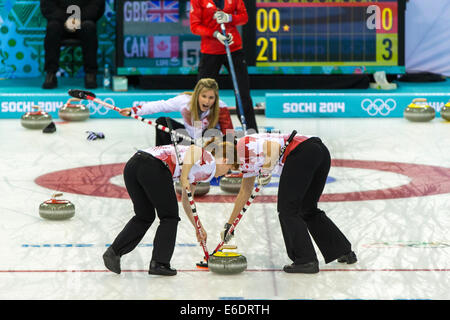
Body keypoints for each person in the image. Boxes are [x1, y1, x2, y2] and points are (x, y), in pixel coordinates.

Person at [222, 132, 357, 273]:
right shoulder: (244, 162)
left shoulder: (244, 144)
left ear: (225, 159)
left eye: (217, 170)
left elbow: (273, 147)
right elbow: (245, 192)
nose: (218, 174)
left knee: (287, 209)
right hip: (319, 152)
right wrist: (229, 225)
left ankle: (306, 260)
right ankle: (343, 251)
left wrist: (267, 169)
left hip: (302, 152)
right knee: (307, 208)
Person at [102, 138, 237, 276]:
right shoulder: (210, 162)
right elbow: (194, 150)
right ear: (225, 160)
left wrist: (198, 227)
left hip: (133, 165)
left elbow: (186, 200)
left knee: (144, 216)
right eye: (229, 169)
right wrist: (183, 177)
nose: (225, 174)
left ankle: (114, 252)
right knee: (170, 217)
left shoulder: (201, 170)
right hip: (153, 167)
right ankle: (160, 263)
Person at [190, 0, 258, 133]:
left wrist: (230, 18)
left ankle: (252, 133)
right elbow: (195, 26)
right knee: (202, 93)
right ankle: (198, 132)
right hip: (210, 51)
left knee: (242, 92)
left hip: (233, 49)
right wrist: (215, 34)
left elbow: (244, 17)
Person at [119, 78, 234, 146]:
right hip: (189, 139)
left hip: (208, 142)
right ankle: (163, 159)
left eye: (211, 98)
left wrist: (229, 157)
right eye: (204, 96)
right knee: (162, 121)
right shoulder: (184, 101)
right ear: (197, 94)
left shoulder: (221, 107)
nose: (207, 101)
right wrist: (134, 110)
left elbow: (228, 132)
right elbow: (160, 105)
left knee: (226, 138)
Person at [40, 0, 105, 89]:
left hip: (84, 20)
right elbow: (47, 6)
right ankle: (50, 74)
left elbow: (96, 6)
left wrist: (77, 19)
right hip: (60, 21)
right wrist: (67, 19)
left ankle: (90, 74)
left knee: (89, 27)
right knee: (52, 27)